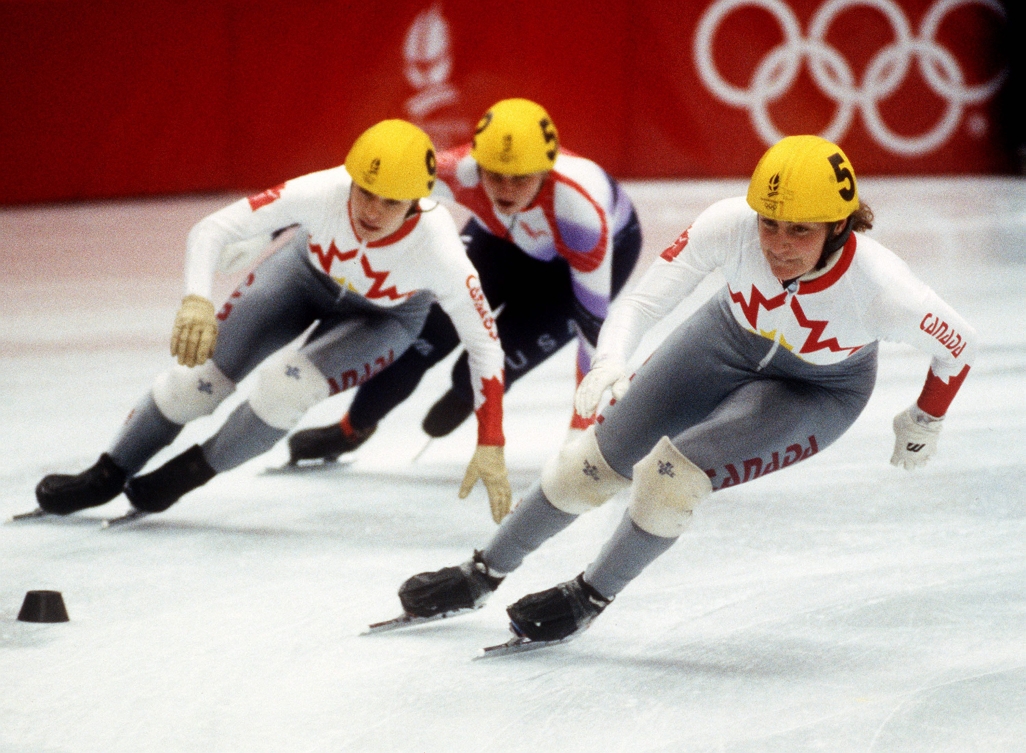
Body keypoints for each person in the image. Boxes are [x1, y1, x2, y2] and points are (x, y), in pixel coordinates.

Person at [392, 135, 977, 643]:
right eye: (769, 223)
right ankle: (483, 571)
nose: (776, 245)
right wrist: (611, 361)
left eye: (800, 230)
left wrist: (927, 418)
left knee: (672, 477)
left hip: (818, 389)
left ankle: (591, 594)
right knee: (590, 465)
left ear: (840, 226)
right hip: (725, 338)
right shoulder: (729, 224)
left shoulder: (883, 288)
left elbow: (960, 346)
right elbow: (646, 299)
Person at [34, 120, 512, 523]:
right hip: (304, 275)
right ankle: (107, 472)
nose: (371, 210)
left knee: (288, 388)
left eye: (390, 202)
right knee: (194, 382)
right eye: (364, 191)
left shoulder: (441, 251)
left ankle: (189, 473)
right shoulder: (323, 189)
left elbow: (486, 347)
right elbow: (213, 228)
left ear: (417, 202)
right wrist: (196, 300)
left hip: (384, 317)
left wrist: (491, 441)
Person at [286, 98, 642, 464]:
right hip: (501, 240)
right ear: (478, 165)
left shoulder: (580, 214)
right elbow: (349, 183)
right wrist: (266, 227)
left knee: (483, 367)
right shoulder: (460, 170)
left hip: (575, 268)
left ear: (547, 172)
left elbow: (591, 332)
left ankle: (463, 391)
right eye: (495, 175)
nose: (505, 190)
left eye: (520, 178)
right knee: (427, 336)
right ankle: (352, 428)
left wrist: (580, 430)